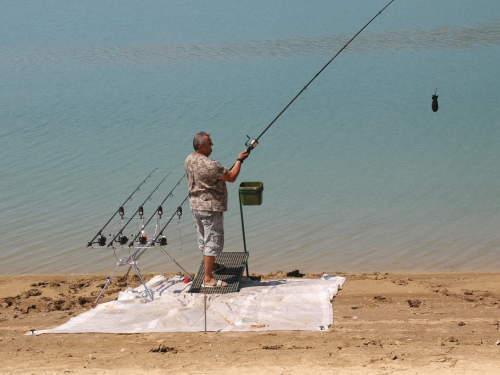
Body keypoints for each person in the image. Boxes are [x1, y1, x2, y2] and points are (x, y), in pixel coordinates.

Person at [185, 132, 249, 287]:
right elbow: (232, 176)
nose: (212, 145)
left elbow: (221, 175)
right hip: (210, 209)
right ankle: (208, 279)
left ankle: (211, 266)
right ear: (201, 146)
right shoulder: (211, 164)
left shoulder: (189, 159)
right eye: (209, 143)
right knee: (212, 241)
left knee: (203, 238)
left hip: (195, 206)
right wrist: (239, 160)